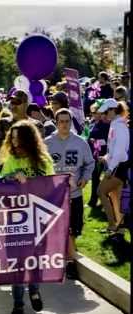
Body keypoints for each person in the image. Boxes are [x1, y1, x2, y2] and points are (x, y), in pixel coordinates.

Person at [0, 120, 55, 314]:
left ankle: (34, 290)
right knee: (17, 262)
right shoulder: (11, 161)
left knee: (35, 259)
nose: (14, 143)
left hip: (38, 220)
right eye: (12, 139)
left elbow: (52, 186)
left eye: (18, 138)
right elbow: (0, 184)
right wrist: (12, 176)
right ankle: (18, 302)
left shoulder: (43, 160)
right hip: (15, 220)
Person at [45, 108, 95, 279]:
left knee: (73, 229)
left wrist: (85, 178)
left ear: (71, 122)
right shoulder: (47, 143)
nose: (64, 124)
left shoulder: (80, 143)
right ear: (56, 123)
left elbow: (90, 163)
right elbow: (41, 166)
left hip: (74, 194)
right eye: (61, 121)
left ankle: (70, 261)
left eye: (67, 121)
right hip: (54, 195)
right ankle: (66, 261)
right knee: (57, 229)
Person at [98, 99, 130, 236]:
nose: (103, 115)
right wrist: (106, 157)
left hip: (118, 167)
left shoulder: (119, 126)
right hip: (118, 165)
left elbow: (120, 152)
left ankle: (112, 225)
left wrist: (110, 169)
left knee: (101, 191)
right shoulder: (116, 124)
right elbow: (114, 150)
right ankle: (120, 227)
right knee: (116, 196)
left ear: (112, 110)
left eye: (105, 112)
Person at [87, 102, 110, 207]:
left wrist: (95, 141)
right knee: (95, 177)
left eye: (95, 112)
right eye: (92, 112)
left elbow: (106, 141)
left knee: (100, 178)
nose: (94, 114)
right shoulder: (92, 123)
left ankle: (99, 200)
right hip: (94, 155)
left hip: (104, 155)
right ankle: (94, 200)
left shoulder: (106, 125)